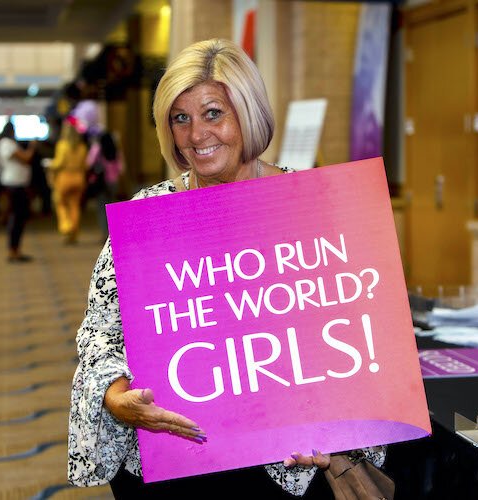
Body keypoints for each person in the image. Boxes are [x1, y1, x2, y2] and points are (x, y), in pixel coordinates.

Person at [68, 39, 386, 499]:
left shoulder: (313, 207)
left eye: (213, 113)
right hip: (175, 459)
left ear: (248, 113)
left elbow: (353, 333)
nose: (197, 135)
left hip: (281, 463)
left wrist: (336, 430)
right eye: (181, 118)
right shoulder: (150, 215)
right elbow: (101, 332)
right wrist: (118, 396)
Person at [0, 122, 36, 262]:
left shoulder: (7, 143)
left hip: (16, 182)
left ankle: (15, 249)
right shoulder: (7, 143)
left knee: (19, 217)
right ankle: (13, 250)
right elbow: (25, 158)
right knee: (17, 217)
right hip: (14, 183)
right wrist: (32, 147)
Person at [47, 120, 88, 244]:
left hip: (65, 178)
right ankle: (73, 235)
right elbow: (85, 165)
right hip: (79, 178)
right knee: (75, 206)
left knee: (60, 203)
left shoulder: (62, 145)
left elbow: (59, 163)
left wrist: (50, 165)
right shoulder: (82, 147)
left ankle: (66, 226)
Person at [85, 131, 125, 241]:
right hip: (113, 183)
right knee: (113, 209)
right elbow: (121, 168)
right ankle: (114, 234)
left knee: (102, 209)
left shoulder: (97, 148)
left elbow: (89, 162)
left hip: (101, 182)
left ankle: (105, 235)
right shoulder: (116, 150)